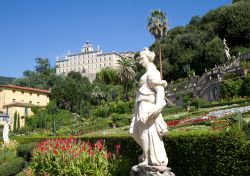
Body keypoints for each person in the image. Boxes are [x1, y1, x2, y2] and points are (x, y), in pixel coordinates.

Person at [129, 48, 169, 166]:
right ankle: (147, 154)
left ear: (148, 58)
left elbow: (160, 90)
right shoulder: (146, 73)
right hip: (140, 106)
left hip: (146, 106)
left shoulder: (152, 72)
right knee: (133, 131)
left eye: (142, 58)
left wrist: (157, 107)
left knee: (144, 132)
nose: (140, 61)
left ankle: (147, 159)